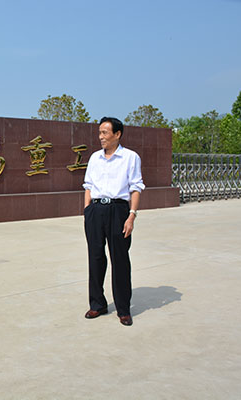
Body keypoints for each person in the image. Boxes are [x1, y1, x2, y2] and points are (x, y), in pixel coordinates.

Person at [82, 117, 145, 326]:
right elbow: (88, 185)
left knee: (120, 260)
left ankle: (123, 309)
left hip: (119, 210)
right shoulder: (95, 158)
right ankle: (97, 304)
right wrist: (87, 210)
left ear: (117, 134)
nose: (101, 137)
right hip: (95, 211)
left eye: (105, 132)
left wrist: (131, 215)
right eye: (99, 132)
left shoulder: (130, 157)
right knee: (95, 258)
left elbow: (136, 187)